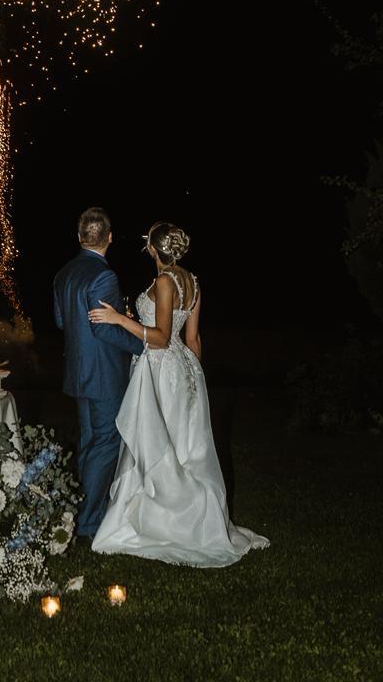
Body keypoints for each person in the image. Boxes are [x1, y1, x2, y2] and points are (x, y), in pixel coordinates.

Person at [87, 220, 270, 566]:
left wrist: (118, 319)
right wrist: (193, 379)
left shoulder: (165, 281)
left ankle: (166, 521)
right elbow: (193, 340)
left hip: (161, 369)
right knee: (180, 443)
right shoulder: (194, 282)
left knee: (159, 443)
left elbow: (159, 337)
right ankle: (183, 515)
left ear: (153, 249)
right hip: (185, 369)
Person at [53, 206, 143, 542]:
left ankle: (82, 514)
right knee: (105, 444)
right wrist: (142, 346)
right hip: (103, 375)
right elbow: (105, 330)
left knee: (91, 443)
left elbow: (63, 322)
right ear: (109, 237)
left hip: (78, 373)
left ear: (79, 237)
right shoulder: (105, 276)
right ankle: (88, 524)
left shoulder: (63, 274)